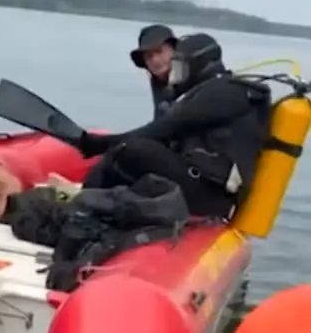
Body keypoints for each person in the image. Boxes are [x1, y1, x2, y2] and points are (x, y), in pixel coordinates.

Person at [79, 33, 270, 219]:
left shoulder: (224, 92)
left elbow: (164, 128)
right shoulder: (207, 90)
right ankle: (91, 198)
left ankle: (84, 200)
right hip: (201, 184)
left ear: (199, 64)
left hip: (214, 199)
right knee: (132, 153)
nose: (176, 75)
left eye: (181, 67)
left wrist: (101, 144)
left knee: (135, 149)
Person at [130, 24, 179, 119]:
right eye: (149, 56)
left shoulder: (192, 78)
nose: (155, 60)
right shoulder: (158, 81)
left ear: (174, 50)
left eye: (159, 51)